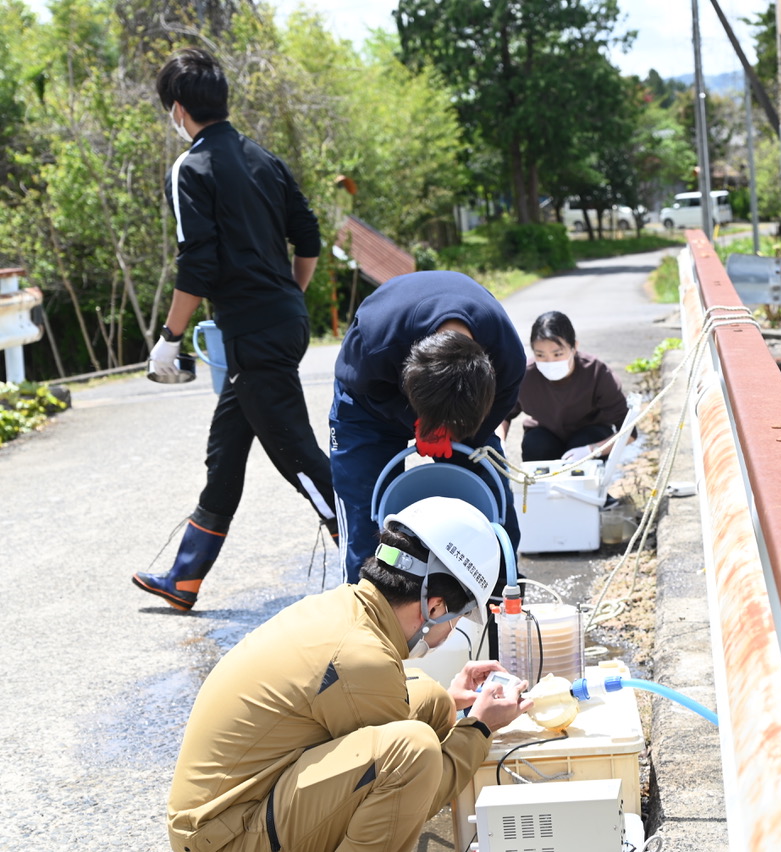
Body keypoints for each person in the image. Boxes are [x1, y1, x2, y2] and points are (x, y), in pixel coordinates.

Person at [166, 496, 532, 852]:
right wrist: (479, 728)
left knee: (432, 699)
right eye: (457, 619)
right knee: (412, 752)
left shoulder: (343, 609)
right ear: (435, 606)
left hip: (227, 814)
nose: (452, 630)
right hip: (224, 839)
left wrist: (452, 702)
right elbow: (414, 785)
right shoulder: (361, 658)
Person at [133, 48, 338, 612]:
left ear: (178, 109)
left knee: (297, 455)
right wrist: (291, 296)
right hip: (277, 325)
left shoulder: (190, 168)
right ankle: (185, 576)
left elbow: (196, 263)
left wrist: (169, 339)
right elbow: (310, 233)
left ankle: (371, 557)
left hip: (252, 333)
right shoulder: (263, 159)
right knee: (225, 452)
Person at [330, 270, 525, 585]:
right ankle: (365, 611)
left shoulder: (506, 353)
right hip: (370, 405)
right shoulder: (376, 337)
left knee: (495, 503)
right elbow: (361, 386)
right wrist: (416, 420)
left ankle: (500, 601)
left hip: (465, 412)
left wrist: (460, 432)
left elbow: (501, 403)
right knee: (363, 517)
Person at [507, 310, 629, 463]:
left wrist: (593, 450)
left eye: (557, 354)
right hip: (546, 434)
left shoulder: (597, 373)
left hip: (590, 435)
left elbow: (629, 431)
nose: (549, 362)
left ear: (574, 347)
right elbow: (503, 414)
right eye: (540, 355)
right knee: (536, 445)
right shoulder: (525, 375)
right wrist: (499, 445)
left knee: (583, 442)